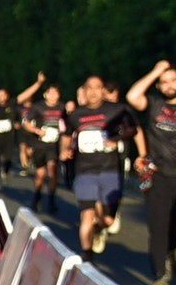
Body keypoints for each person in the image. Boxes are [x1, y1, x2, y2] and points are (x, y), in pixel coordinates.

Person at [126, 59, 176, 285]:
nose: (169, 85)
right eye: (164, 82)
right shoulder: (154, 104)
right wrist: (156, 70)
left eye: (173, 80)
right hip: (157, 174)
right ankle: (161, 274)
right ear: (158, 86)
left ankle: (169, 251)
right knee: (158, 225)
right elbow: (132, 96)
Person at [58, 73, 133, 255]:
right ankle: (88, 257)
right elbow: (66, 135)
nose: (92, 92)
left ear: (103, 91)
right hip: (85, 170)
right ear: (84, 91)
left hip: (110, 169)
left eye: (97, 88)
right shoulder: (76, 115)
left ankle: (98, 230)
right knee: (87, 215)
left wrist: (117, 140)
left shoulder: (116, 110)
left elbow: (133, 129)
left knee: (108, 220)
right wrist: (64, 149)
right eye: (89, 88)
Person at [24, 76, 65, 215]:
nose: (53, 96)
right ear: (45, 94)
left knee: (53, 170)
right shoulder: (38, 107)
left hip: (54, 145)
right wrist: (37, 131)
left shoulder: (62, 108)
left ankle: (51, 200)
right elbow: (26, 123)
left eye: (55, 93)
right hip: (40, 144)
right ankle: (37, 197)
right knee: (40, 174)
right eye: (50, 93)